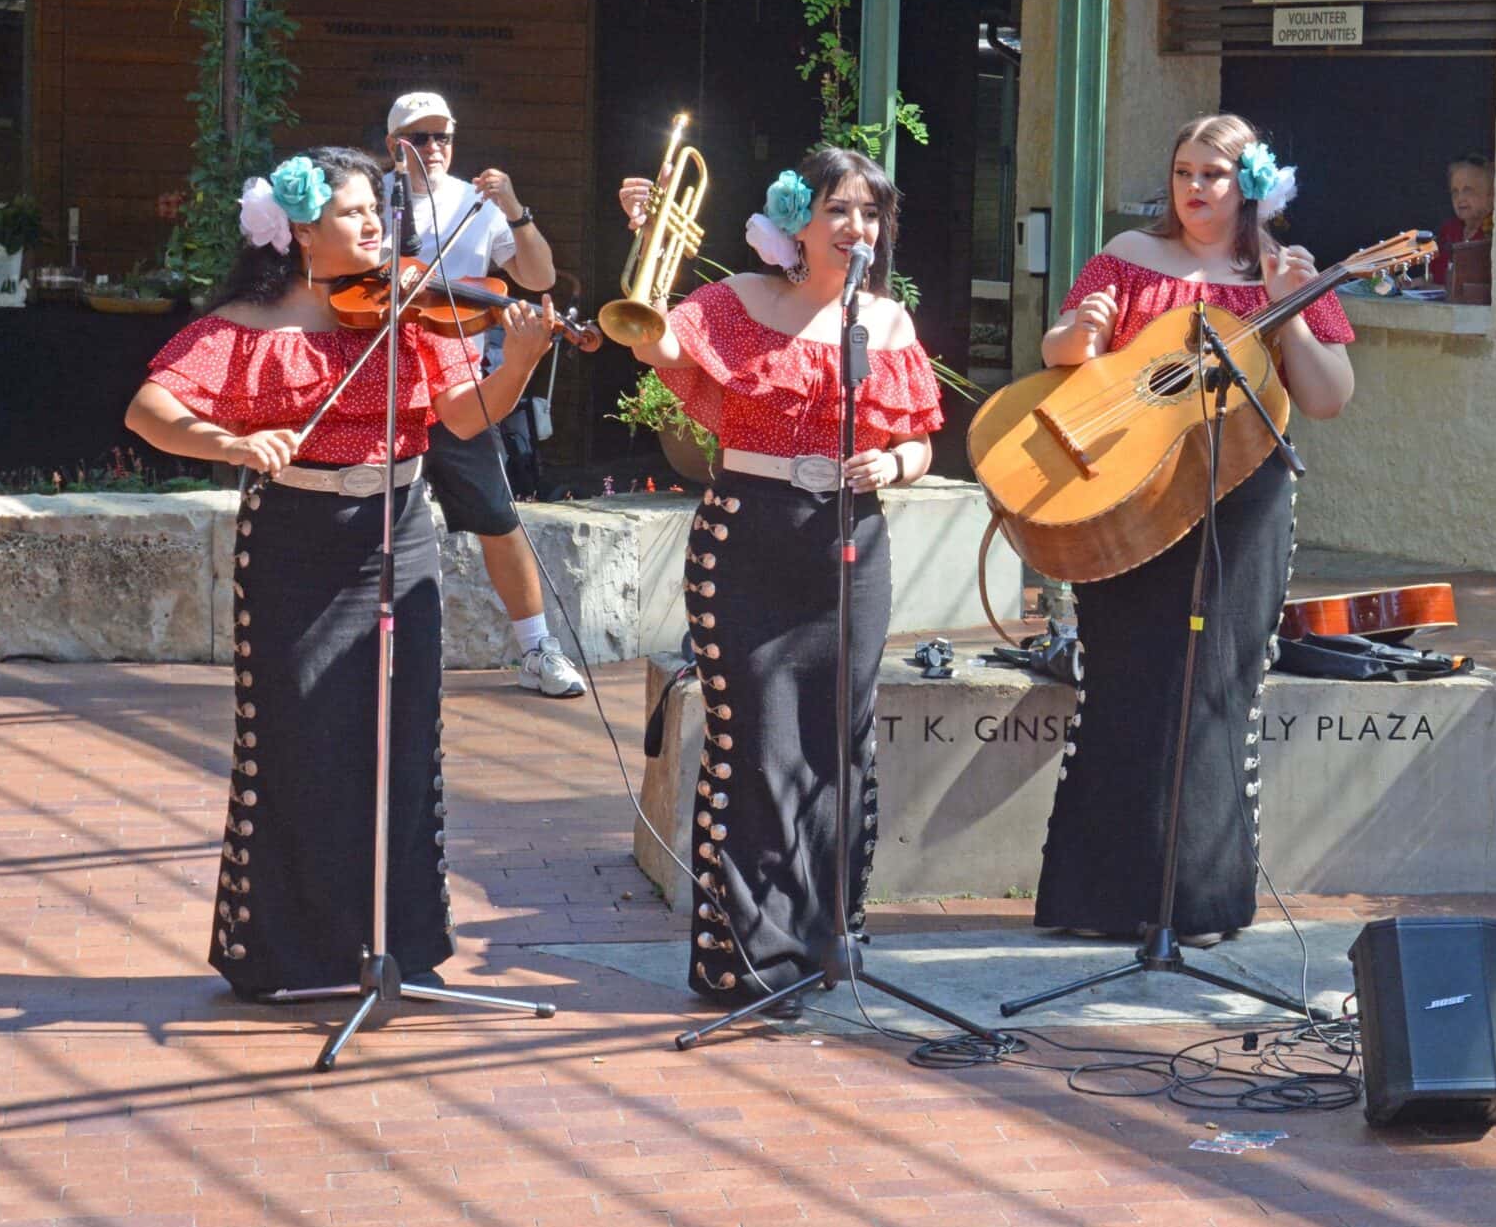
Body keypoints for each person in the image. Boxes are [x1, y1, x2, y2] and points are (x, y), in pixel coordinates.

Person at [124, 147, 559, 998]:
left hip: (399, 534)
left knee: (399, 744)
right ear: (298, 231)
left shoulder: (407, 312)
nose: (375, 226)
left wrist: (521, 362)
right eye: (355, 213)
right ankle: (291, 955)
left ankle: (398, 946)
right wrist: (233, 442)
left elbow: (463, 416)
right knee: (301, 742)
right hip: (295, 542)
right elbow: (150, 410)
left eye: (377, 212)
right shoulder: (250, 324)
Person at [616, 145, 942, 1014]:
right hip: (749, 538)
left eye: (871, 213)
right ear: (798, 217)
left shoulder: (888, 322)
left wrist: (901, 461)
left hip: (849, 543)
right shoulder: (735, 302)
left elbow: (922, 435)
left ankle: (826, 939)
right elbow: (657, 343)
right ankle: (749, 960)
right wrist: (655, 245)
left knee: (840, 742)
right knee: (756, 744)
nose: (856, 227)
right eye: (838, 208)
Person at [1030, 113, 1356, 945]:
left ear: (1249, 184)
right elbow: (1063, 351)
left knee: (1214, 687)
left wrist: (1291, 311)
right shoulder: (1125, 259)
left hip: (1242, 498)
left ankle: (1199, 903)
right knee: (1123, 680)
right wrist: (1080, 338)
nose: (1194, 188)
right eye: (1183, 171)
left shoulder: (1281, 271)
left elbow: (1327, 398)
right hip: (1128, 497)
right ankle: (1097, 900)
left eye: (1213, 174)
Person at [382, 91, 586, 699]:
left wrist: (515, 210)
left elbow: (540, 279)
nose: (435, 149)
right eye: (421, 138)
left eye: (443, 137)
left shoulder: (474, 202)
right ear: (396, 146)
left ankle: (537, 648)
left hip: (456, 379)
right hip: (384, 384)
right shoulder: (371, 200)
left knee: (498, 517)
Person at [1421, 151, 1494, 294]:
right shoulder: (1449, 231)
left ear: (1491, 195)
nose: (1460, 198)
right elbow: (1435, 277)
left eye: (1468, 190)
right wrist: (1419, 282)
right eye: (1455, 191)